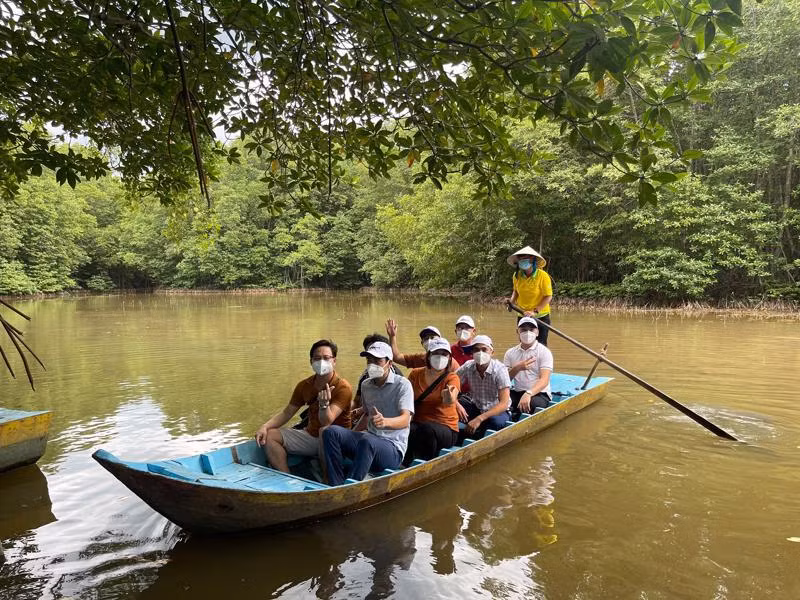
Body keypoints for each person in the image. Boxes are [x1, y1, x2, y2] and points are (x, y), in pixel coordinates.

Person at [323, 342, 414, 485]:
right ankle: (335, 483)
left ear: (389, 363)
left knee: (367, 441)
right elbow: (366, 415)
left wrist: (386, 422)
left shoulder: (402, 385)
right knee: (331, 432)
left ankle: (351, 486)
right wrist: (350, 436)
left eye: (378, 361)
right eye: (369, 360)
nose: (372, 365)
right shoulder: (366, 385)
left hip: (392, 449)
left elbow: (405, 419)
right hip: (369, 440)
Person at [255, 340, 353, 472]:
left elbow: (327, 422)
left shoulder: (343, 387)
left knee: (325, 431)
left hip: (337, 441)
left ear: (334, 361)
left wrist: (324, 405)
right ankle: (287, 477)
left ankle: (327, 481)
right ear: (311, 362)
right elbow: (287, 413)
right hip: (312, 436)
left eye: (326, 358)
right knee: (270, 435)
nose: (321, 362)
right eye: (317, 358)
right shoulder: (304, 385)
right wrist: (265, 426)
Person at [403, 337, 461, 465]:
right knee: (407, 429)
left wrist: (449, 396)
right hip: (419, 422)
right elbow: (407, 400)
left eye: (444, 354)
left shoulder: (452, 377)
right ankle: (404, 464)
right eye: (436, 353)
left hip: (446, 428)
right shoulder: (415, 374)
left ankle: (427, 464)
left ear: (449, 358)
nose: (440, 357)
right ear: (428, 356)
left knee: (427, 429)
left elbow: (452, 396)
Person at [455, 335, 511, 438]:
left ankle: (477, 432)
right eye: (476, 350)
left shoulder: (499, 370)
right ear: (472, 353)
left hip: (497, 410)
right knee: (452, 409)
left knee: (496, 423)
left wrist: (479, 419)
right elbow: (451, 383)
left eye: (484, 349)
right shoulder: (468, 366)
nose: (480, 353)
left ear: (491, 352)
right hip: (476, 406)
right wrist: (456, 404)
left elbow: (504, 403)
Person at [503, 317, 554, 419]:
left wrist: (529, 393)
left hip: (539, 393)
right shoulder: (510, 353)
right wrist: (517, 368)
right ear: (518, 332)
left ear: (537, 332)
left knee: (533, 405)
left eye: (531, 330)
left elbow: (544, 380)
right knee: (500, 401)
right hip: (518, 391)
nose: (527, 333)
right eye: (524, 330)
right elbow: (504, 380)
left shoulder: (544, 352)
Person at [507, 245, 553, 346]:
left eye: (526, 258)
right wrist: (511, 303)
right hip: (522, 314)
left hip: (541, 316)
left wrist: (535, 311)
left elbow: (548, 296)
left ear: (533, 260)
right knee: (524, 344)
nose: (523, 261)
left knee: (541, 345)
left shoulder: (543, 276)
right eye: (521, 259)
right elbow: (516, 291)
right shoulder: (517, 276)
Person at [386, 321, 458, 371]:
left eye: (433, 337)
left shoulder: (449, 362)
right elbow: (397, 357)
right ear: (422, 343)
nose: (429, 340)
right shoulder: (420, 358)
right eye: (426, 338)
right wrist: (392, 337)